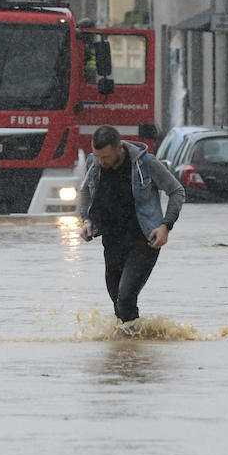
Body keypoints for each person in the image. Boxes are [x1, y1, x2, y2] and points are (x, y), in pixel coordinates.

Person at [79, 125, 185, 332]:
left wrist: (166, 226)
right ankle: (130, 352)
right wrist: (85, 220)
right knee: (117, 302)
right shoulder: (94, 163)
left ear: (119, 147)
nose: (102, 162)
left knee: (126, 297)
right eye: (98, 156)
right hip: (111, 241)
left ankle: (135, 350)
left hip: (144, 241)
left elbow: (177, 191)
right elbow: (84, 191)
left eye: (106, 157)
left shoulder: (146, 163)